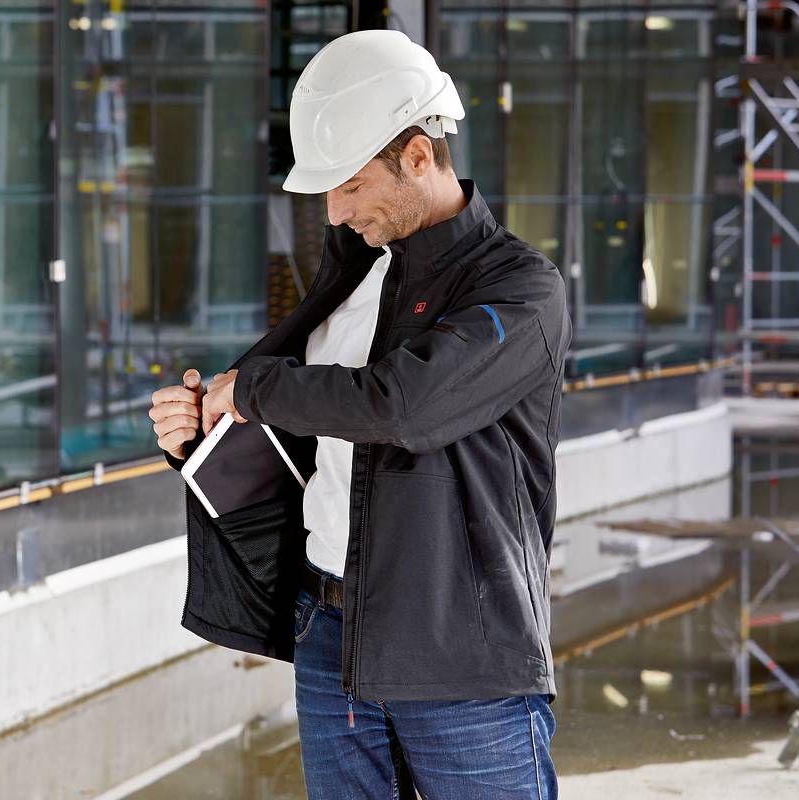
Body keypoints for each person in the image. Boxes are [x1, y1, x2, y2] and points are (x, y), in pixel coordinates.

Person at [149, 29, 571, 799]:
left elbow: (402, 407)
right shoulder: (351, 276)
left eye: (348, 186)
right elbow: (313, 440)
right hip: (332, 632)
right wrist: (206, 434)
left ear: (417, 155)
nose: (335, 211)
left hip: (460, 654)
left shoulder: (521, 291)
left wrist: (253, 389)